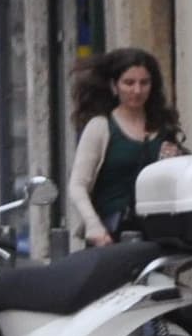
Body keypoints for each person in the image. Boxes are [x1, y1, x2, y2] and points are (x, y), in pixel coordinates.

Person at [66, 47, 185, 248]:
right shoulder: (101, 127)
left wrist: (174, 162)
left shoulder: (164, 128)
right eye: (129, 83)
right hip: (110, 238)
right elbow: (77, 185)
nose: (137, 91)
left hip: (157, 235)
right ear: (114, 86)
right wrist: (94, 226)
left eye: (144, 83)